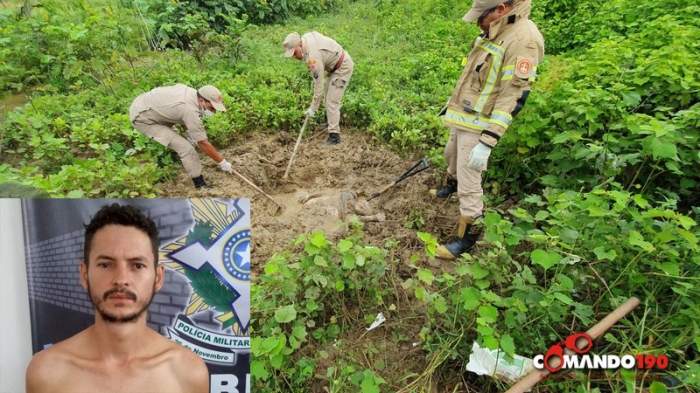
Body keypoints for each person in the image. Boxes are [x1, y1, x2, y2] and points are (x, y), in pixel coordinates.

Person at [25, 204, 209, 393]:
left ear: (158, 277)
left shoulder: (187, 371)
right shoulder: (47, 372)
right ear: (84, 274)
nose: (121, 280)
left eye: (137, 265)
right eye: (105, 265)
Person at [433, 0, 544, 260]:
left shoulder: (524, 40)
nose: (477, 23)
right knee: (451, 154)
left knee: (470, 180)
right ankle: (452, 185)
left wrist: (488, 140)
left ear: (501, 10)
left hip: (481, 124)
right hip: (464, 114)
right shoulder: (496, 30)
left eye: (480, 18)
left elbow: (513, 95)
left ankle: (467, 237)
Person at [129, 84, 233, 189]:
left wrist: (188, 133)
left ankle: (186, 161)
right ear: (202, 100)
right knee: (186, 148)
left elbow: (180, 114)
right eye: (212, 108)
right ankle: (199, 184)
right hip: (143, 118)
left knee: (181, 139)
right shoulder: (190, 109)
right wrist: (222, 162)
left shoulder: (193, 94)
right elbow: (202, 142)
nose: (213, 111)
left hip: (148, 105)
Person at [283, 31, 354, 147]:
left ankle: (334, 135)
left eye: (294, 53)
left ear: (299, 45)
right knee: (328, 94)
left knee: (332, 100)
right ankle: (331, 121)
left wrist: (313, 108)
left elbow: (318, 84)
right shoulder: (305, 39)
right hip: (334, 66)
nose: (294, 57)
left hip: (342, 67)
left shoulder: (313, 57)